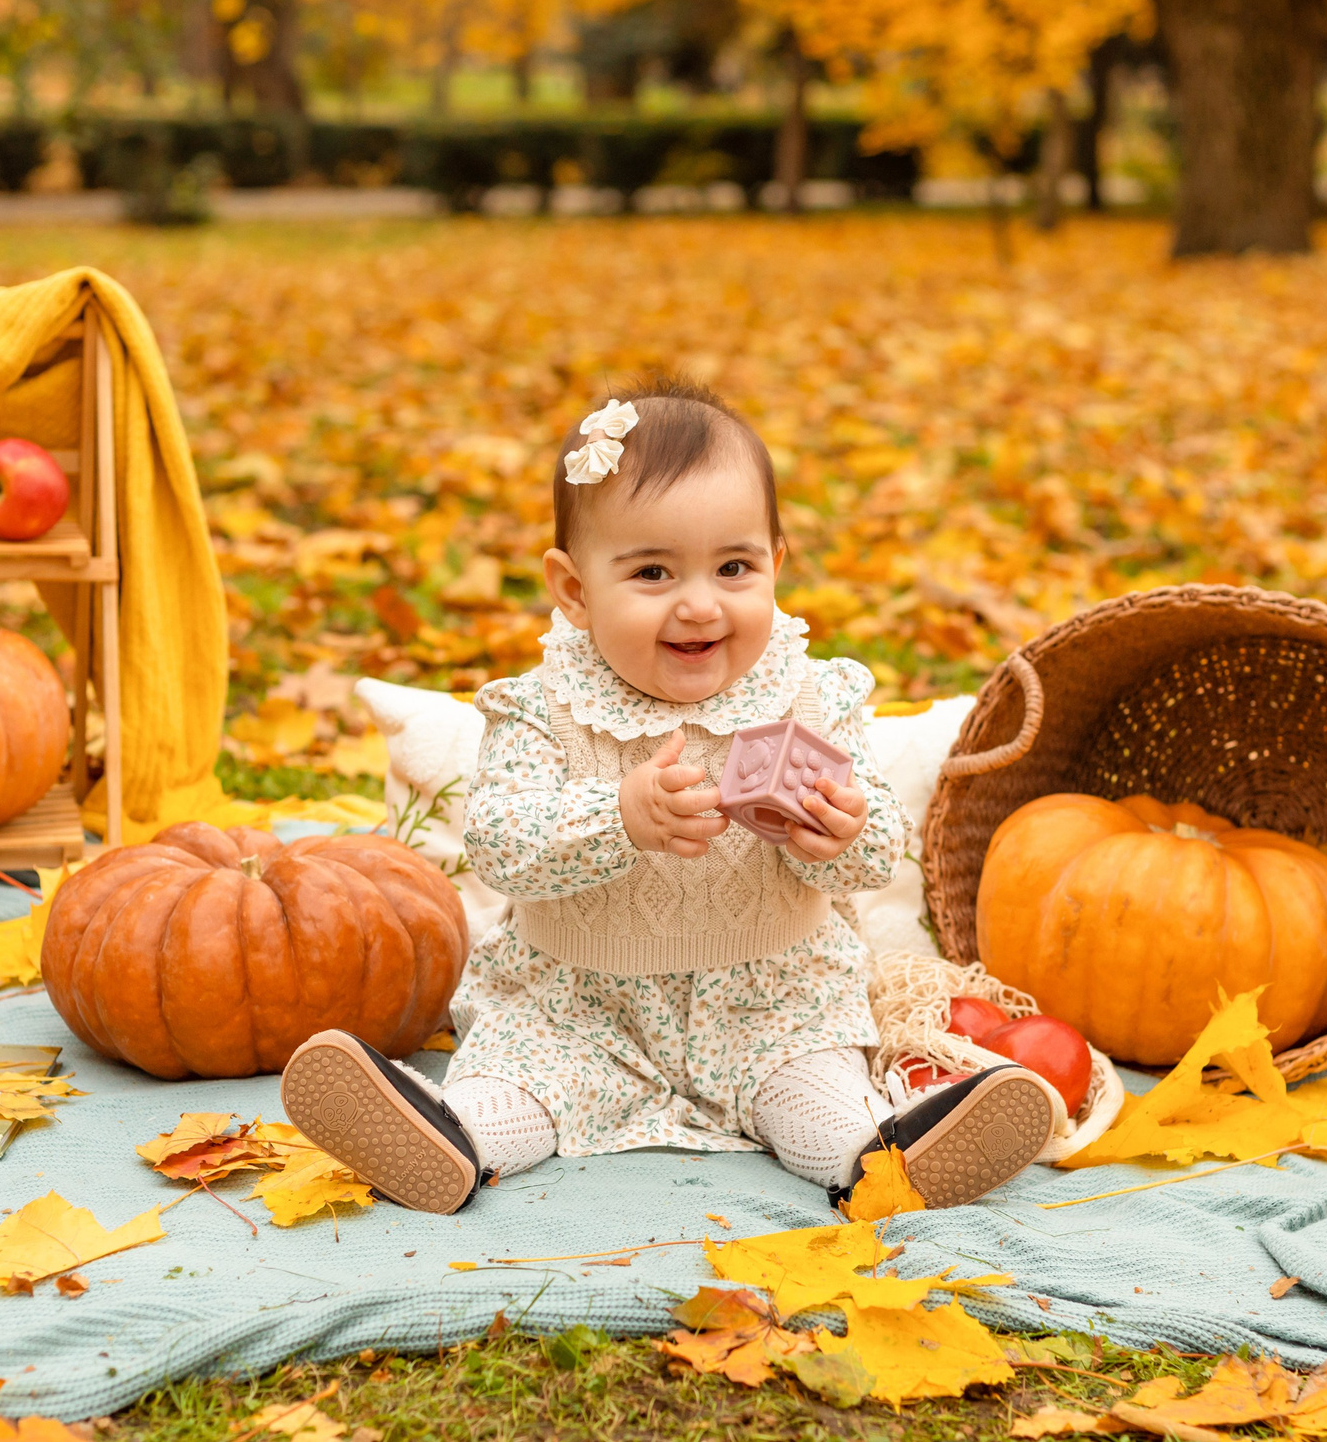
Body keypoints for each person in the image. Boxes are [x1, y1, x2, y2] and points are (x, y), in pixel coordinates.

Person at [281, 382, 1053, 1214]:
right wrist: (620, 815)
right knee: (522, 1084)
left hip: (769, 1003)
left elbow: (874, 849)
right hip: (581, 1006)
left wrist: (844, 828)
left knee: (813, 1087)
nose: (699, 602)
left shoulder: (809, 693)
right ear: (573, 591)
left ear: (776, 564)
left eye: (734, 567)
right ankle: (447, 1135)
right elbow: (501, 841)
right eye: (653, 570)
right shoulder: (544, 705)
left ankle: (879, 1156)